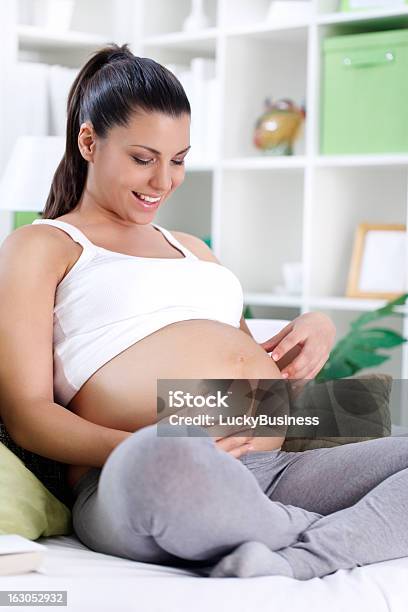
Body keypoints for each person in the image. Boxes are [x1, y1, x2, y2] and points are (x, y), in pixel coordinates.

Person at [0, 43, 407, 580]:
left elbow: (253, 385)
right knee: (170, 466)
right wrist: (154, 443)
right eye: (143, 159)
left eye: (179, 160)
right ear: (89, 141)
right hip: (142, 469)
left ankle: (300, 557)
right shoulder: (44, 245)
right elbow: (28, 416)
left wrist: (313, 331)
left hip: (270, 470)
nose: (163, 181)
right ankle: (337, 535)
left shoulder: (195, 250)